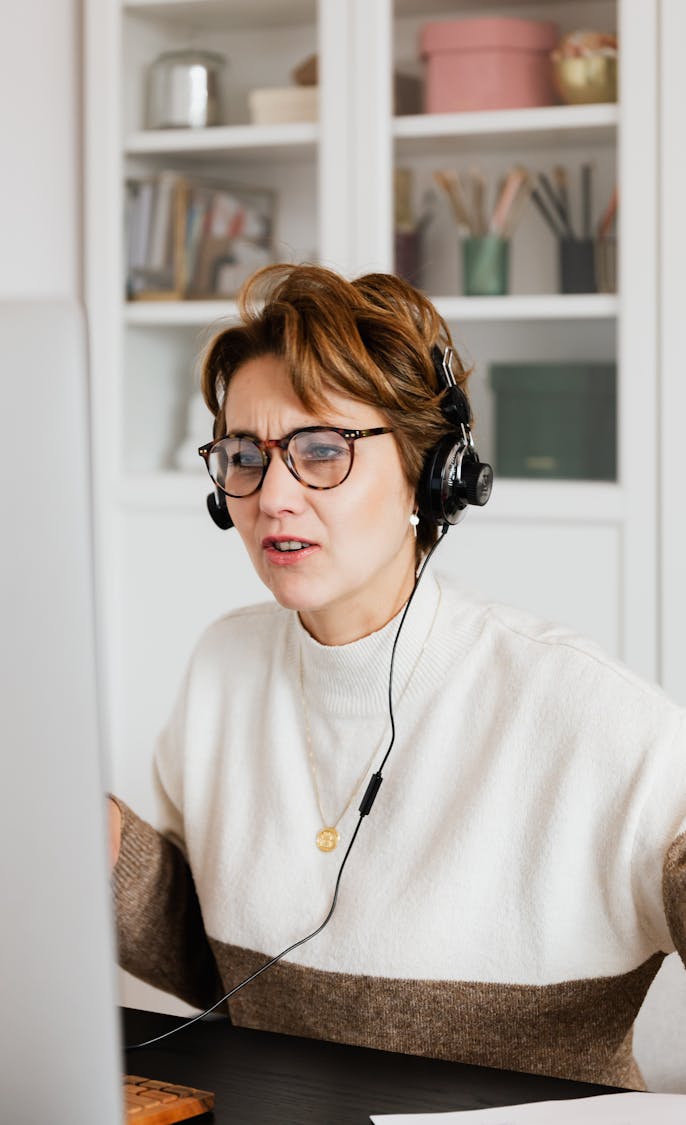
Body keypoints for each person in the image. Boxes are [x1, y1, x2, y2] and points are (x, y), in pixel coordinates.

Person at [110, 264, 686, 1090]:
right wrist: (98, 848)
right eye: (245, 454)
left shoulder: (585, 710)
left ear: (429, 468)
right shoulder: (221, 669)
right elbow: (229, 978)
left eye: (320, 450)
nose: (273, 495)